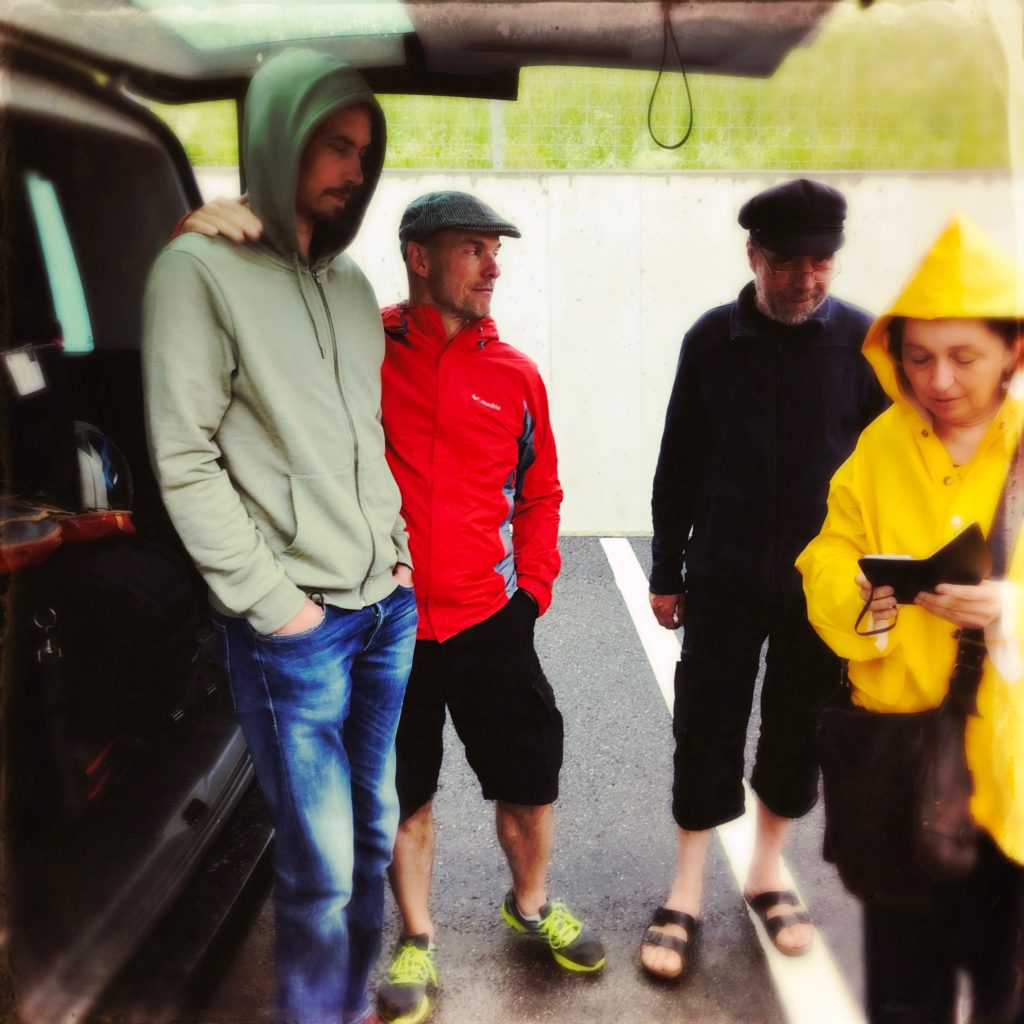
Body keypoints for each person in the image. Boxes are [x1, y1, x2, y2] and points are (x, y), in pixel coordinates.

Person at [179, 190, 605, 1024]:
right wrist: (200, 241)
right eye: (473, 248)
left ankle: (531, 904)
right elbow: (257, 342)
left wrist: (533, 590)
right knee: (402, 794)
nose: (493, 266)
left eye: (496, 250)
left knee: (528, 780)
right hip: (384, 622)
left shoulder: (516, 376)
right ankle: (417, 937)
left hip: (490, 619)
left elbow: (541, 492)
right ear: (419, 256)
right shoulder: (359, 347)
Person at [143, 50, 418, 1024]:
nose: (354, 167)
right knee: (320, 871)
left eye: (364, 150)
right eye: (332, 144)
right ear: (277, 140)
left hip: (384, 610)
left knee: (371, 839)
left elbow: (363, 436)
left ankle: (341, 1004)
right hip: (296, 629)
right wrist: (277, 606)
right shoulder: (197, 271)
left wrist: (397, 556)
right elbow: (184, 459)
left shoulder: (352, 286)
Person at [642, 178, 888, 979]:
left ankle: (766, 873)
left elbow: (888, 472)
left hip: (823, 588)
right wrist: (667, 569)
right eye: (787, 263)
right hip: (723, 576)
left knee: (798, 730)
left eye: (821, 263)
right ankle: (685, 888)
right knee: (705, 727)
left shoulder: (864, 341)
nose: (805, 280)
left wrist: (880, 575)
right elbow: (678, 462)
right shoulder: (712, 339)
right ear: (753, 255)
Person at [797, 214, 1024, 1023]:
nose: (940, 380)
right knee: (903, 998)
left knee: (1008, 996)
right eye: (919, 357)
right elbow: (828, 550)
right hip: (896, 775)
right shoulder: (882, 444)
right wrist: (858, 597)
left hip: (1012, 792)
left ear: (1013, 350)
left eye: (965, 356)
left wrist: (1008, 612)